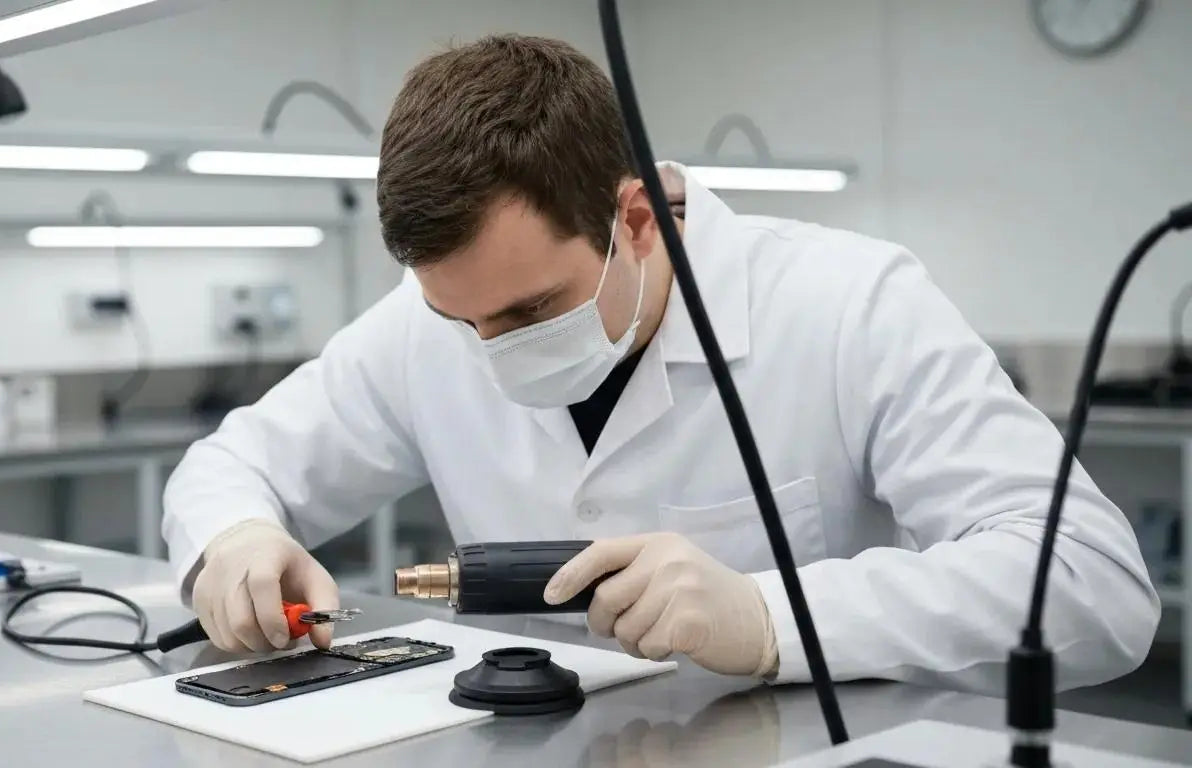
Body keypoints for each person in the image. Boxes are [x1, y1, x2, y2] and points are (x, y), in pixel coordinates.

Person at [164, 34, 1158, 692]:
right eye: (459, 320)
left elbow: (1095, 584)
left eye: (530, 311)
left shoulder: (851, 305)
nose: (492, 352)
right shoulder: (429, 327)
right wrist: (236, 541)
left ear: (636, 220)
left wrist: (771, 616)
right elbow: (228, 467)